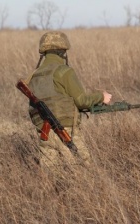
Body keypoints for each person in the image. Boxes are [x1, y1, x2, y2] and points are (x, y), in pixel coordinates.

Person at [25, 31, 112, 173]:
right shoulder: (64, 71)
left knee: (50, 178)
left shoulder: (33, 76)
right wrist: (101, 97)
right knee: (84, 174)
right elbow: (82, 101)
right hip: (66, 132)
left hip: (44, 134)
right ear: (63, 52)